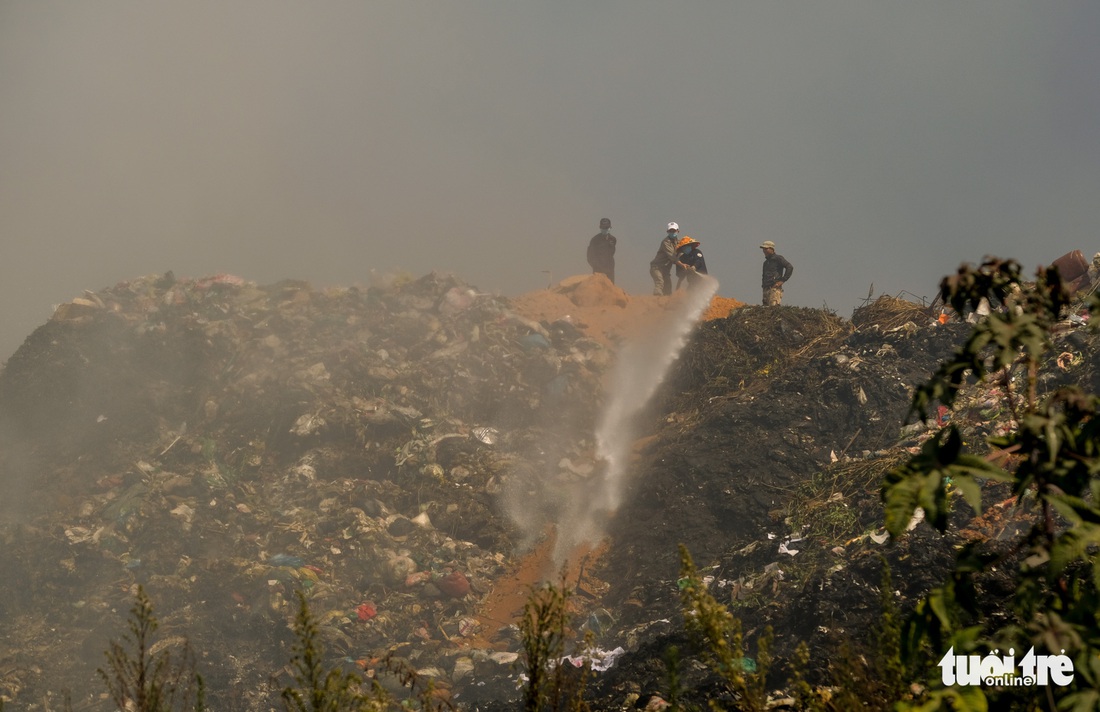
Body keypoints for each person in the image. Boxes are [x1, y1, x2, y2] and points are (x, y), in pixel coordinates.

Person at [650, 222, 686, 296]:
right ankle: (655, 301)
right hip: (657, 268)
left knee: (668, 289)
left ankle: (665, 304)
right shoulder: (666, 242)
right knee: (659, 283)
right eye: (670, 231)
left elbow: (682, 253)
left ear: (678, 231)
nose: (672, 232)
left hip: (666, 270)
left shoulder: (678, 243)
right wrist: (682, 265)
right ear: (667, 232)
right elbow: (672, 257)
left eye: (674, 231)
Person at [760, 240, 793, 306]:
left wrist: (782, 281)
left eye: (766, 249)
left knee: (773, 308)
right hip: (766, 289)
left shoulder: (778, 258)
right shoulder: (766, 263)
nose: (764, 250)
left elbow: (789, 267)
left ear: (772, 249)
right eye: (763, 249)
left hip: (774, 289)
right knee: (765, 310)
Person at [586, 217, 617, 283]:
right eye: (603, 228)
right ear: (600, 227)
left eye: (607, 228)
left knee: (610, 289)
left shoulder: (613, 239)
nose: (605, 229)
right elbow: (589, 255)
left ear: (610, 227)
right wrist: (595, 266)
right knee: (597, 289)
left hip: (610, 269)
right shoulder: (595, 240)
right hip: (598, 270)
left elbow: (612, 253)